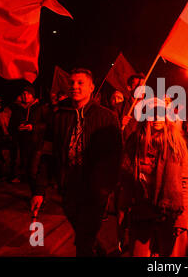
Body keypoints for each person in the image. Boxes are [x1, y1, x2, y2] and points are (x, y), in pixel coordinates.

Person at [31, 68, 122, 256]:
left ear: (91, 87)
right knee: (82, 230)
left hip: (95, 189)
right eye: (72, 82)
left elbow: (115, 156)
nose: (74, 86)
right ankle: (99, 250)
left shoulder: (106, 117)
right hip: (67, 186)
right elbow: (47, 154)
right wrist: (39, 190)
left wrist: (105, 188)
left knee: (84, 238)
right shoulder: (58, 117)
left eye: (80, 83)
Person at [119, 98, 188, 257]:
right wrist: (122, 215)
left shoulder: (176, 143)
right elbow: (126, 181)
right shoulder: (135, 142)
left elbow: (185, 182)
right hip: (142, 211)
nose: (157, 119)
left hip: (170, 213)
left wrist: (182, 221)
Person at [8, 85, 41, 183]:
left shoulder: (39, 108)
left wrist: (33, 127)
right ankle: (20, 177)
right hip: (21, 140)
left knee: (33, 165)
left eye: (28, 94)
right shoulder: (17, 108)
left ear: (33, 96)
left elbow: (46, 125)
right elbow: (11, 125)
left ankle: (35, 183)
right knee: (22, 160)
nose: (25, 96)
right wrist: (17, 127)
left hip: (35, 141)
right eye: (24, 94)